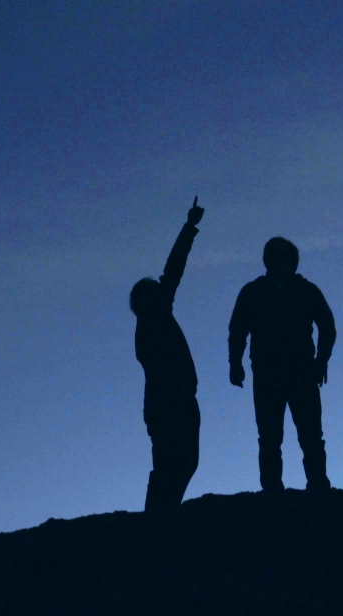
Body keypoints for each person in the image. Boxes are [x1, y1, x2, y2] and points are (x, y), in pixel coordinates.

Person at [228, 236, 336, 492]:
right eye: (272, 254)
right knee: (269, 437)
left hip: (303, 373)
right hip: (267, 374)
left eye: (281, 255)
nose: (276, 259)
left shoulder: (307, 290)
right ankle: (272, 492)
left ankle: (319, 488)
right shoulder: (252, 291)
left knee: (311, 435)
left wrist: (321, 361)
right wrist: (235, 363)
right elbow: (237, 330)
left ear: (292, 261)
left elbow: (328, 327)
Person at [130, 197, 204, 511]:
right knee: (173, 463)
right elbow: (173, 271)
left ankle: (162, 514)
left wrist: (189, 228)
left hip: (175, 402)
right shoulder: (153, 321)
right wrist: (188, 228)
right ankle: (158, 518)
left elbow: (171, 274)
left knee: (181, 463)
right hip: (168, 404)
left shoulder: (152, 321)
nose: (164, 291)